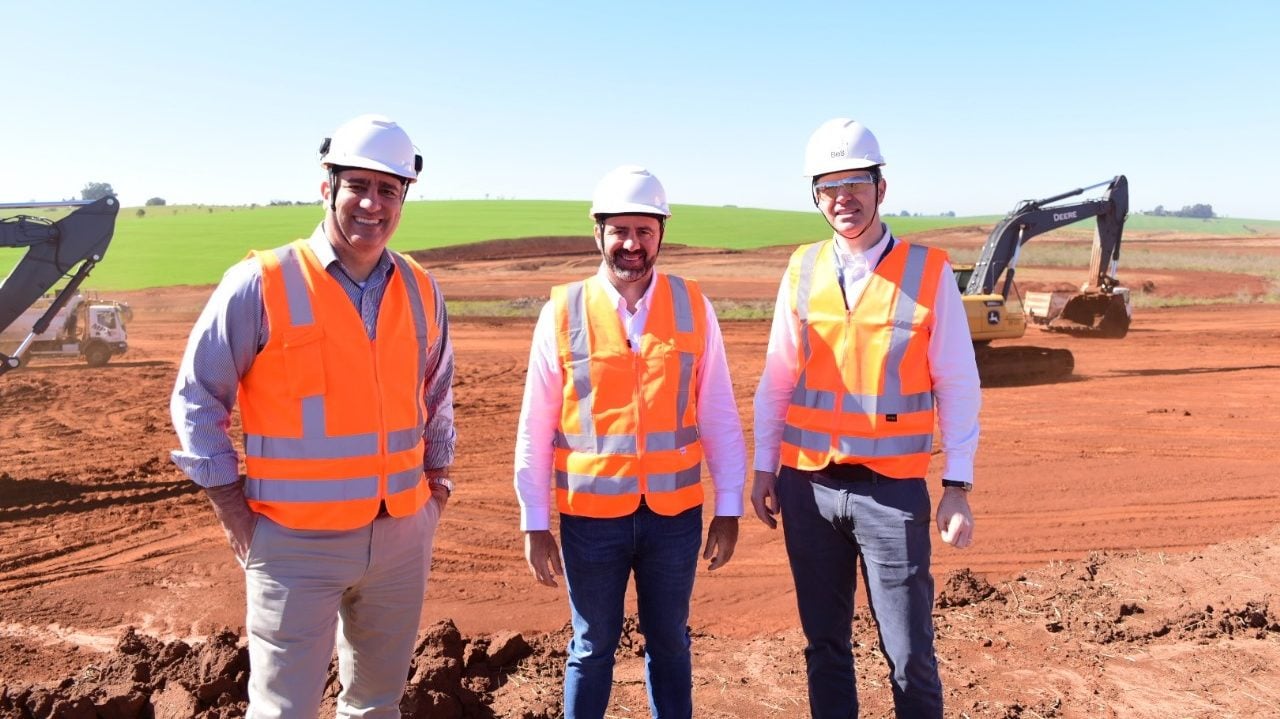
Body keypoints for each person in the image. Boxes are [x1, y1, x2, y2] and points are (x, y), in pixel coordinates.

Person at [170, 114, 456, 719]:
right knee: (284, 710)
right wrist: (231, 509)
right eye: (358, 185)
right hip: (294, 541)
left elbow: (437, 397)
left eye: (389, 189)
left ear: (404, 197)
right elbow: (197, 397)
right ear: (327, 185)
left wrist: (439, 493)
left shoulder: (423, 288)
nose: (372, 203)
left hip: (402, 534)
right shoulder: (261, 282)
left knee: (378, 705)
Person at [750, 118, 981, 718]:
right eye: (828, 186)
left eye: (855, 182)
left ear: (882, 187)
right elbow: (777, 377)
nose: (842, 198)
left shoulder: (929, 272)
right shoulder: (801, 269)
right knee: (824, 647)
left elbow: (956, 381)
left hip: (892, 494)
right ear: (816, 197)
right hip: (809, 489)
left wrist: (957, 485)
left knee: (909, 655)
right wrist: (763, 469)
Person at [514, 165, 746, 719]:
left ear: (661, 233)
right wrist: (534, 522)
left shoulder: (694, 306)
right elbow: (535, 426)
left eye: (644, 230)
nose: (632, 243)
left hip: (675, 517)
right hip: (591, 520)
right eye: (620, 230)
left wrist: (729, 506)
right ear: (598, 233)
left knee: (670, 645)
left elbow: (717, 411)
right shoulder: (562, 312)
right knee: (591, 649)